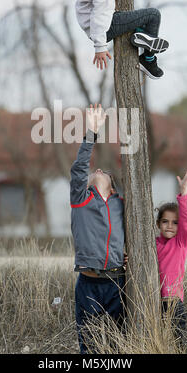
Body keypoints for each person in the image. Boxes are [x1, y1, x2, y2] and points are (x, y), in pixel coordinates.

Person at [70, 103, 126, 354]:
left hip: (116, 283)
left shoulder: (122, 204)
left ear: (112, 188)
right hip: (88, 283)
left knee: (118, 342)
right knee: (89, 343)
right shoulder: (82, 200)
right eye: (96, 170)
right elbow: (80, 168)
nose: (98, 170)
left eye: (103, 171)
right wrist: (91, 132)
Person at [156, 168, 187, 353]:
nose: (170, 226)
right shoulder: (152, 244)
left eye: (174, 222)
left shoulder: (181, 243)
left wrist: (184, 192)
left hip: (173, 301)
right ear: (158, 224)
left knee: (179, 341)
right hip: (152, 300)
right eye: (165, 221)